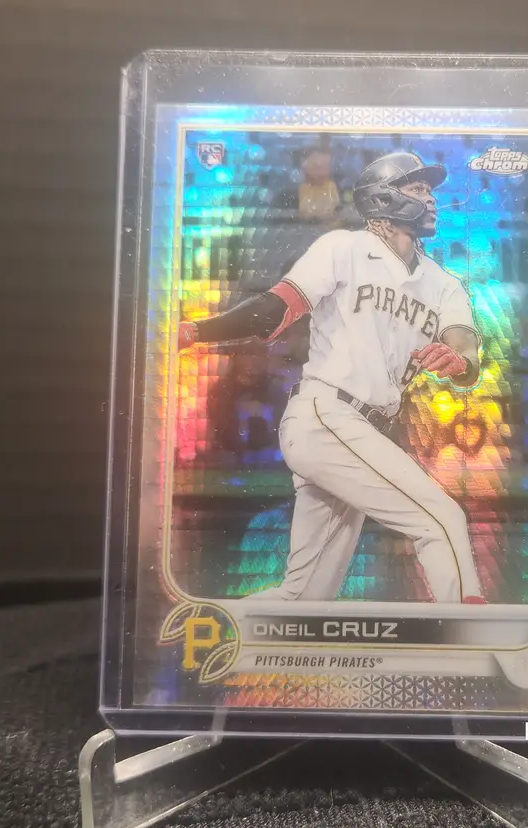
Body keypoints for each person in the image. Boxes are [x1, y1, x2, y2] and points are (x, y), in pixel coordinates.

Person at [179, 151, 485, 604]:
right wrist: (195, 332)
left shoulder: (444, 283)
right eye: (419, 188)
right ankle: (472, 632)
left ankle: (218, 629)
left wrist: (460, 360)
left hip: (364, 431)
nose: (431, 199)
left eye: (430, 190)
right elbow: (274, 311)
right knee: (442, 520)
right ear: (384, 198)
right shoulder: (343, 248)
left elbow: (464, 346)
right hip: (326, 415)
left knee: (303, 598)